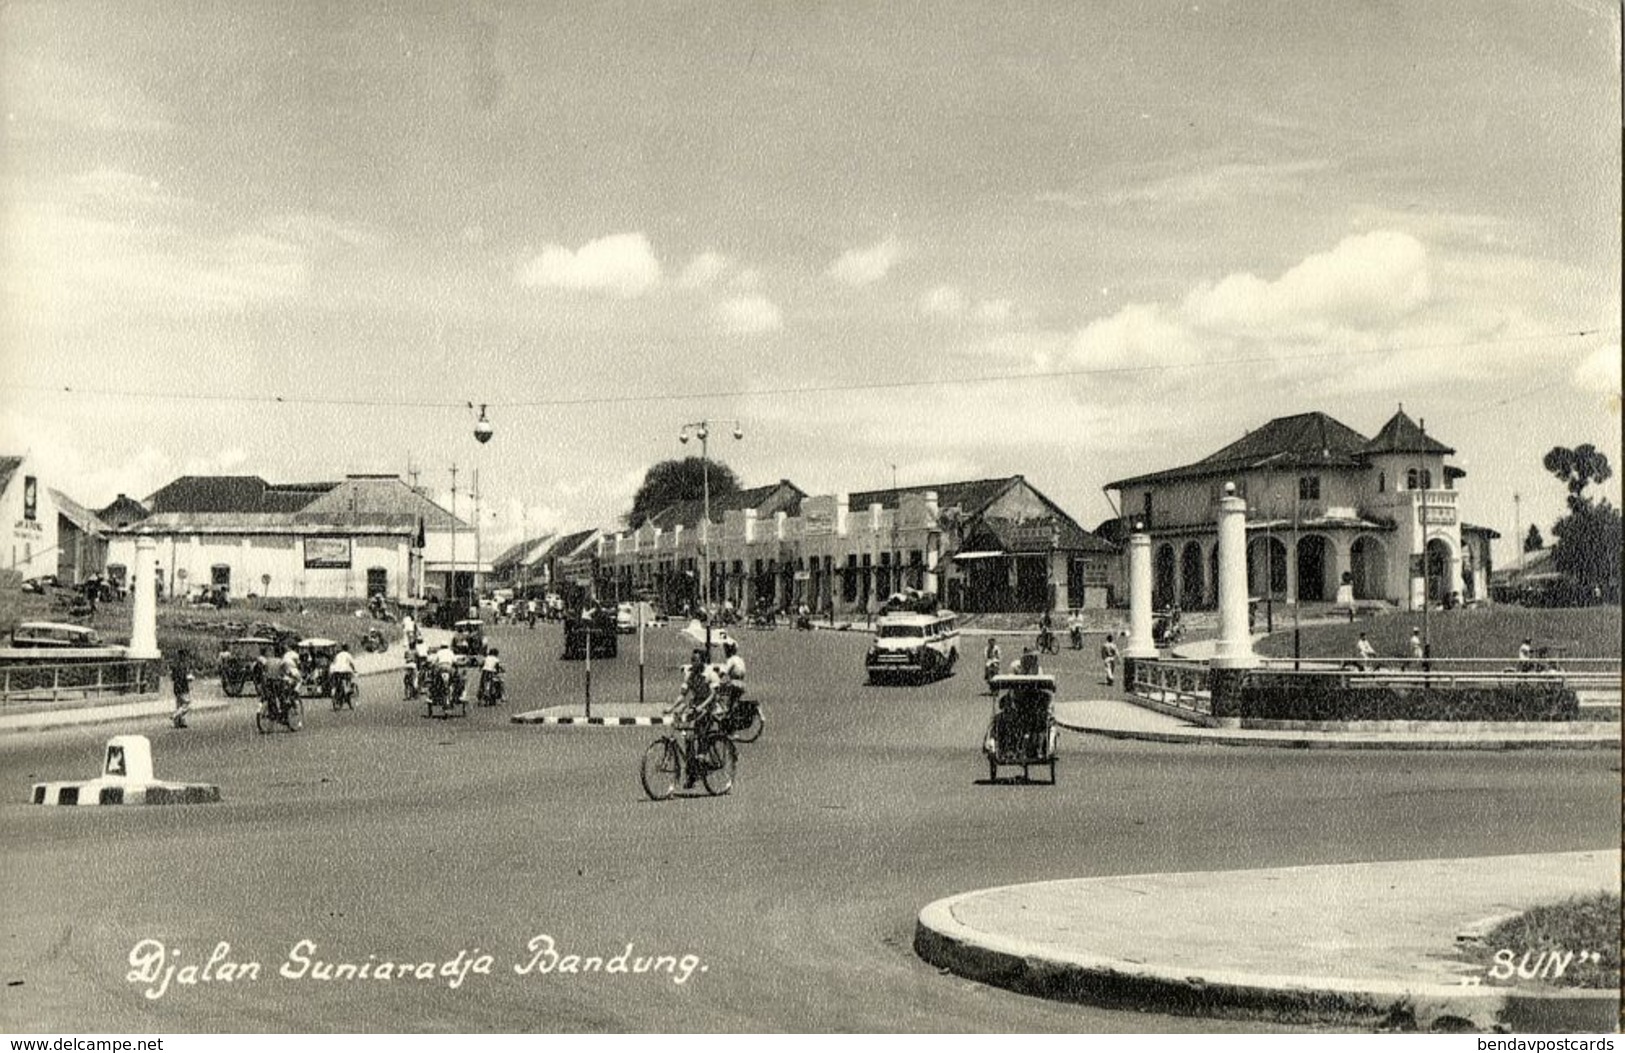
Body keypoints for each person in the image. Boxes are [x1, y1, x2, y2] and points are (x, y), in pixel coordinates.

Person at [718, 640, 746, 712]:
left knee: (716, 691)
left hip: (734, 683)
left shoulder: (731, 660)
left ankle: (723, 710)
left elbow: (724, 672)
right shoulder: (740, 659)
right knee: (733, 702)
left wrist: (718, 675)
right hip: (742, 684)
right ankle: (730, 711)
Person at [169, 648, 192, 728]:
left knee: (179, 704)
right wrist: (189, 678)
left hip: (176, 686)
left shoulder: (175, 665)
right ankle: (175, 715)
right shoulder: (184, 665)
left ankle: (178, 723)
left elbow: (172, 677)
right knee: (186, 704)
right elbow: (184, 677)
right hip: (183, 686)